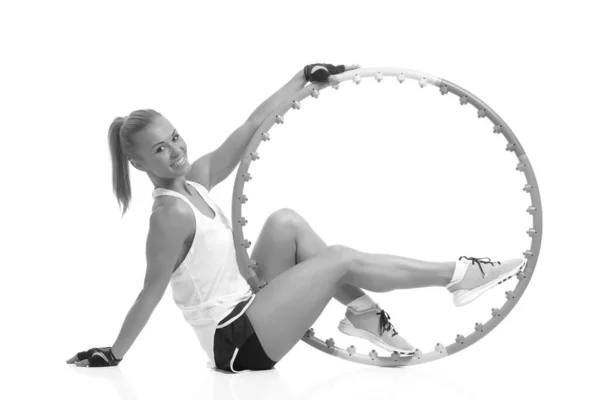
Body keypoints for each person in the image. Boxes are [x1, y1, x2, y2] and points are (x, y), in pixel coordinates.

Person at [66, 63, 526, 372]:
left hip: (249, 305)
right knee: (340, 259)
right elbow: (150, 291)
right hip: (235, 341)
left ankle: (363, 313)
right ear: (139, 164)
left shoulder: (196, 180)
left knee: (284, 221)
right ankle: (459, 276)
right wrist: (114, 353)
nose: (175, 152)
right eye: (159, 149)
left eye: (175, 137)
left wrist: (303, 77)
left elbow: (250, 128)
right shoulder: (169, 214)